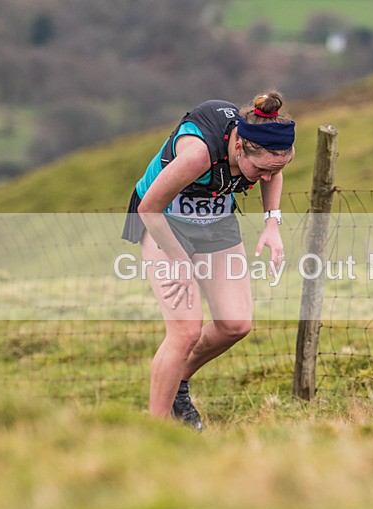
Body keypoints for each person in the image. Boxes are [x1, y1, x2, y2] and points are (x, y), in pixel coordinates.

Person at [122, 91, 294, 430]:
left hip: (215, 221)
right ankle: (155, 434)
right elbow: (149, 209)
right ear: (240, 146)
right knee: (185, 331)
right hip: (163, 222)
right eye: (260, 169)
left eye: (275, 167)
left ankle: (177, 383)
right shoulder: (199, 154)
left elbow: (275, 172)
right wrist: (180, 262)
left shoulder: (270, 147)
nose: (265, 177)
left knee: (235, 324)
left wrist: (272, 222)